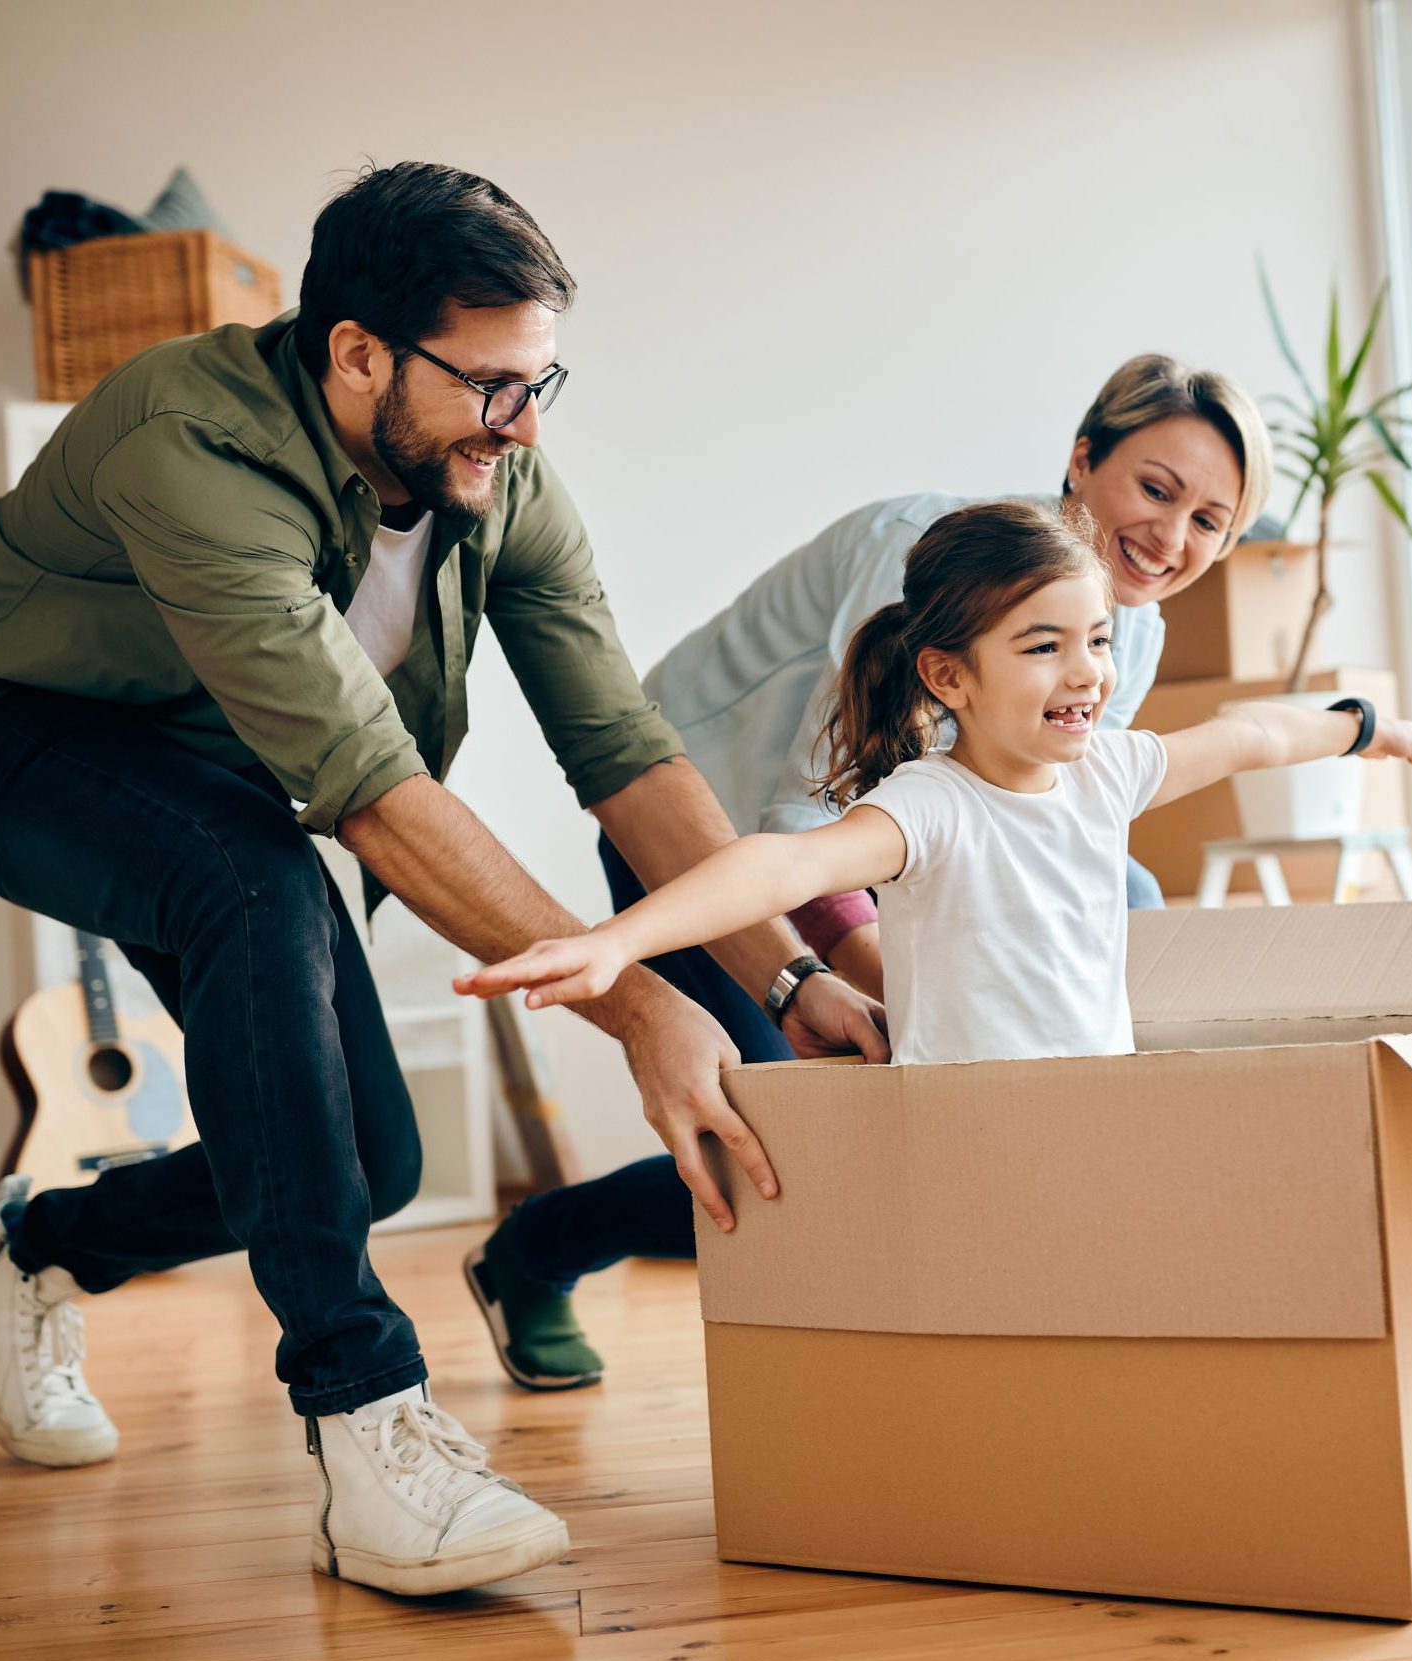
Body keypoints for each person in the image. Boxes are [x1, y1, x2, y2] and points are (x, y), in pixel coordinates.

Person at [0, 161, 885, 1599]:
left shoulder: (496, 474)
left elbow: (625, 751)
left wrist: (787, 971)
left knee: (368, 1163)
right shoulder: (189, 440)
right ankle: (368, 1433)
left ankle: (32, 1253)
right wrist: (637, 1004)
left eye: (543, 383)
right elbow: (367, 793)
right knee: (254, 875)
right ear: (356, 352)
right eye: (491, 384)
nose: (524, 424)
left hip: (215, 777)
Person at [463, 354, 1273, 1390]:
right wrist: (881, 974)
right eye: (1156, 490)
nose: (1171, 540)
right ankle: (536, 1250)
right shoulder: (922, 559)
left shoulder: (1131, 623)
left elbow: (1056, 819)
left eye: (1210, 521)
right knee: (780, 1151)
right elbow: (816, 806)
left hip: (873, 849)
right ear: (1082, 460)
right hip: (705, 832)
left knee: (1133, 907)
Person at [458, 502, 1412, 1078]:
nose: (1086, 671)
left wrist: (1360, 728)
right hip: (964, 1126)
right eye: (1043, 648)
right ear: (949, 677)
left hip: (1095, 1108)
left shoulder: (1107, 773)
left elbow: (1247, 735)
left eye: (1096, 640)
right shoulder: (931, 806)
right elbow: (781, 864)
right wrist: (616, 941)